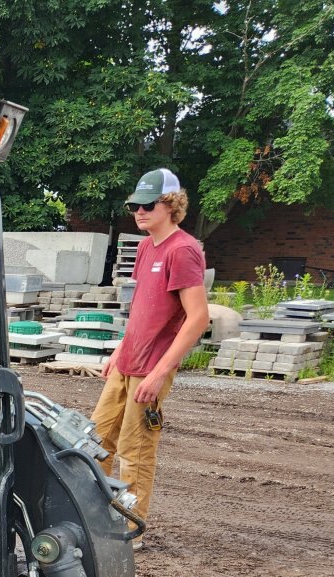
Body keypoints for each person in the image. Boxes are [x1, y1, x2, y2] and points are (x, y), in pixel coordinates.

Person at [92, 168, 210, 547]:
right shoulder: (146, 247)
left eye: (147, 205)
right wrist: (119, 350)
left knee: (135, 449)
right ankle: (96, 514)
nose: (138, 212)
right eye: (134, 205)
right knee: (96, 440)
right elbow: (143, 309)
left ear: (171, 205)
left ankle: (130, 530)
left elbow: (198, 318)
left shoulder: (184, 250)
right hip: (128, 363)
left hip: (152, 368)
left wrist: (160, 372)